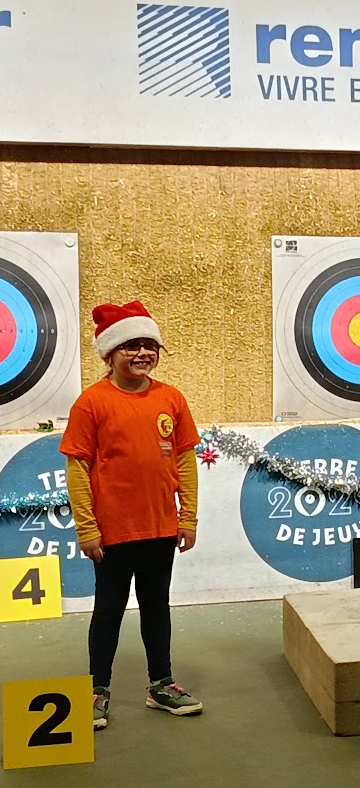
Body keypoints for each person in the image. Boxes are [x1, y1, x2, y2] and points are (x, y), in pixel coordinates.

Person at [60, 300, 202, 730]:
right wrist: (87, 528)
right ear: (110, 353)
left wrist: (188, 517)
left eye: (149, 345)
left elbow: (185, 461)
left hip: (160, 528)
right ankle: (97, 690)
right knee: (108, 610)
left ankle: (161, 685)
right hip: (113, 532)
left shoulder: (171, 398)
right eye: (130, 346)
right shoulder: (91, 403)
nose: (142, 353)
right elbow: (77, 469)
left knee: (157, 607)